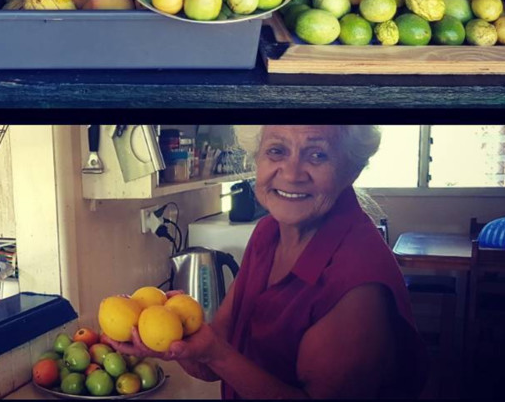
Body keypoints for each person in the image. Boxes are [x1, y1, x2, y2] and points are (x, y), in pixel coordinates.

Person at [104, 125, 429, 399]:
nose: (291, 173)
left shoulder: (359, 281)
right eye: (276, 151)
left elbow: (219, 355)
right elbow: (212, 362)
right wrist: (182, 346)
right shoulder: (268, 233)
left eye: (317, 154)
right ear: (256, 157)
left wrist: (214, 353)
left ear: (350, 169)